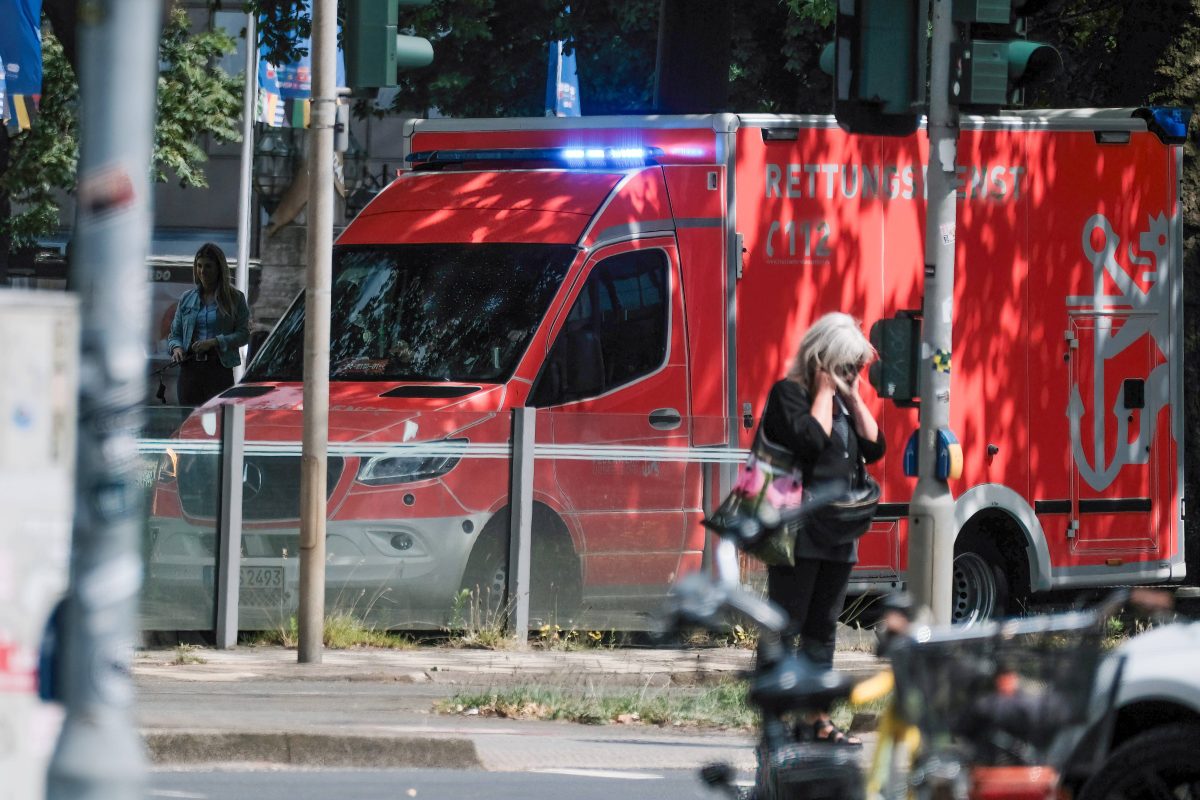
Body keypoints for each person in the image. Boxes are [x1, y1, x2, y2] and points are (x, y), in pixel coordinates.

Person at [760, 311, 886, 746]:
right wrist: (825, 391)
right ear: (821, 359)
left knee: (823, 628)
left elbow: (876, 446)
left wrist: (851, 397)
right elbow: (811, 439)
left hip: (837, 533)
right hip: (797, 533)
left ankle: (816, 718)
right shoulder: (788, 396)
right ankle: (774, 719)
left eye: (856, 369)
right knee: (786, 625)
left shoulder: (844, 404)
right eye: (844, 367)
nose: (852, 375)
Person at [167, 243, 251, 406]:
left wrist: (214, 342)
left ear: (219, 268)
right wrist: (176, 348)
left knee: (218, 421)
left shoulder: (235, 298)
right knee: (189, 420)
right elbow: (174, 334)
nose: (202, 271)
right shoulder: (187, 298)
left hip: (219, 368)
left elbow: (243, 335)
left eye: (208, 266)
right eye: (199, 266)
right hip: (189, 368)